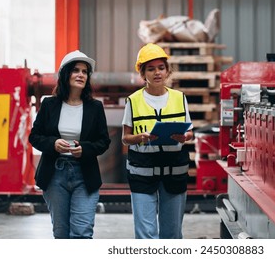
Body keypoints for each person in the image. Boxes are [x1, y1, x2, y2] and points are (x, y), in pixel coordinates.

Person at [29, 50, 110, 239]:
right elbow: (35, 136)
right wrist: (53, 143)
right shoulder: (49, 105)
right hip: (54, 175)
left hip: (85, 174)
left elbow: (103, 141)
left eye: (85, 72)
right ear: (66, 74)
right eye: (76, 70)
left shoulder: (95, 107)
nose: (81, 75)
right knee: (61, 233)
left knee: (82, 232)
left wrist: (86, 149)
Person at [121, 43, 194, 239]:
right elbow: (125, 138)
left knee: (171, 234)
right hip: (142, 173)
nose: (157, 73)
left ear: (167, 71)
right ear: (143, 74)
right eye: (151, 69)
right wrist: (140, 137)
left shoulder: (180, 98)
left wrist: (184, 137)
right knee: (146, 236)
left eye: (161, 68)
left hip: (174, 172)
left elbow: (191, 133)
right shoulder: (133, 101)